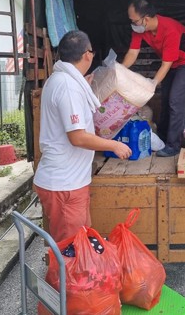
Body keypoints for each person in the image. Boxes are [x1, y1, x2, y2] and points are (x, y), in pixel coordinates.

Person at [33, 30, 132, 243]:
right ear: (87, 54)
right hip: (64, 185)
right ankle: (64, 278)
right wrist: (113, 145)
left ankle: (74, 277)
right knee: (72, 251)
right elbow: (77, 137)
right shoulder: (68, 87)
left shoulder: (61, 80)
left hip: (70, 183)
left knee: (81, 246)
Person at [122, 0, 185, 157]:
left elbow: (165, 65)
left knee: (176, 100)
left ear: (145, 19)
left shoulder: (170, 29)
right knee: (166, 98)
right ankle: (164, 138)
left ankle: (174, 145)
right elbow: (132, 52)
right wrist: (118, 70)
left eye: (134, 20)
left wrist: (151, 84)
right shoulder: (140, 29)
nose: (132, 24)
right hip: (173, 63)